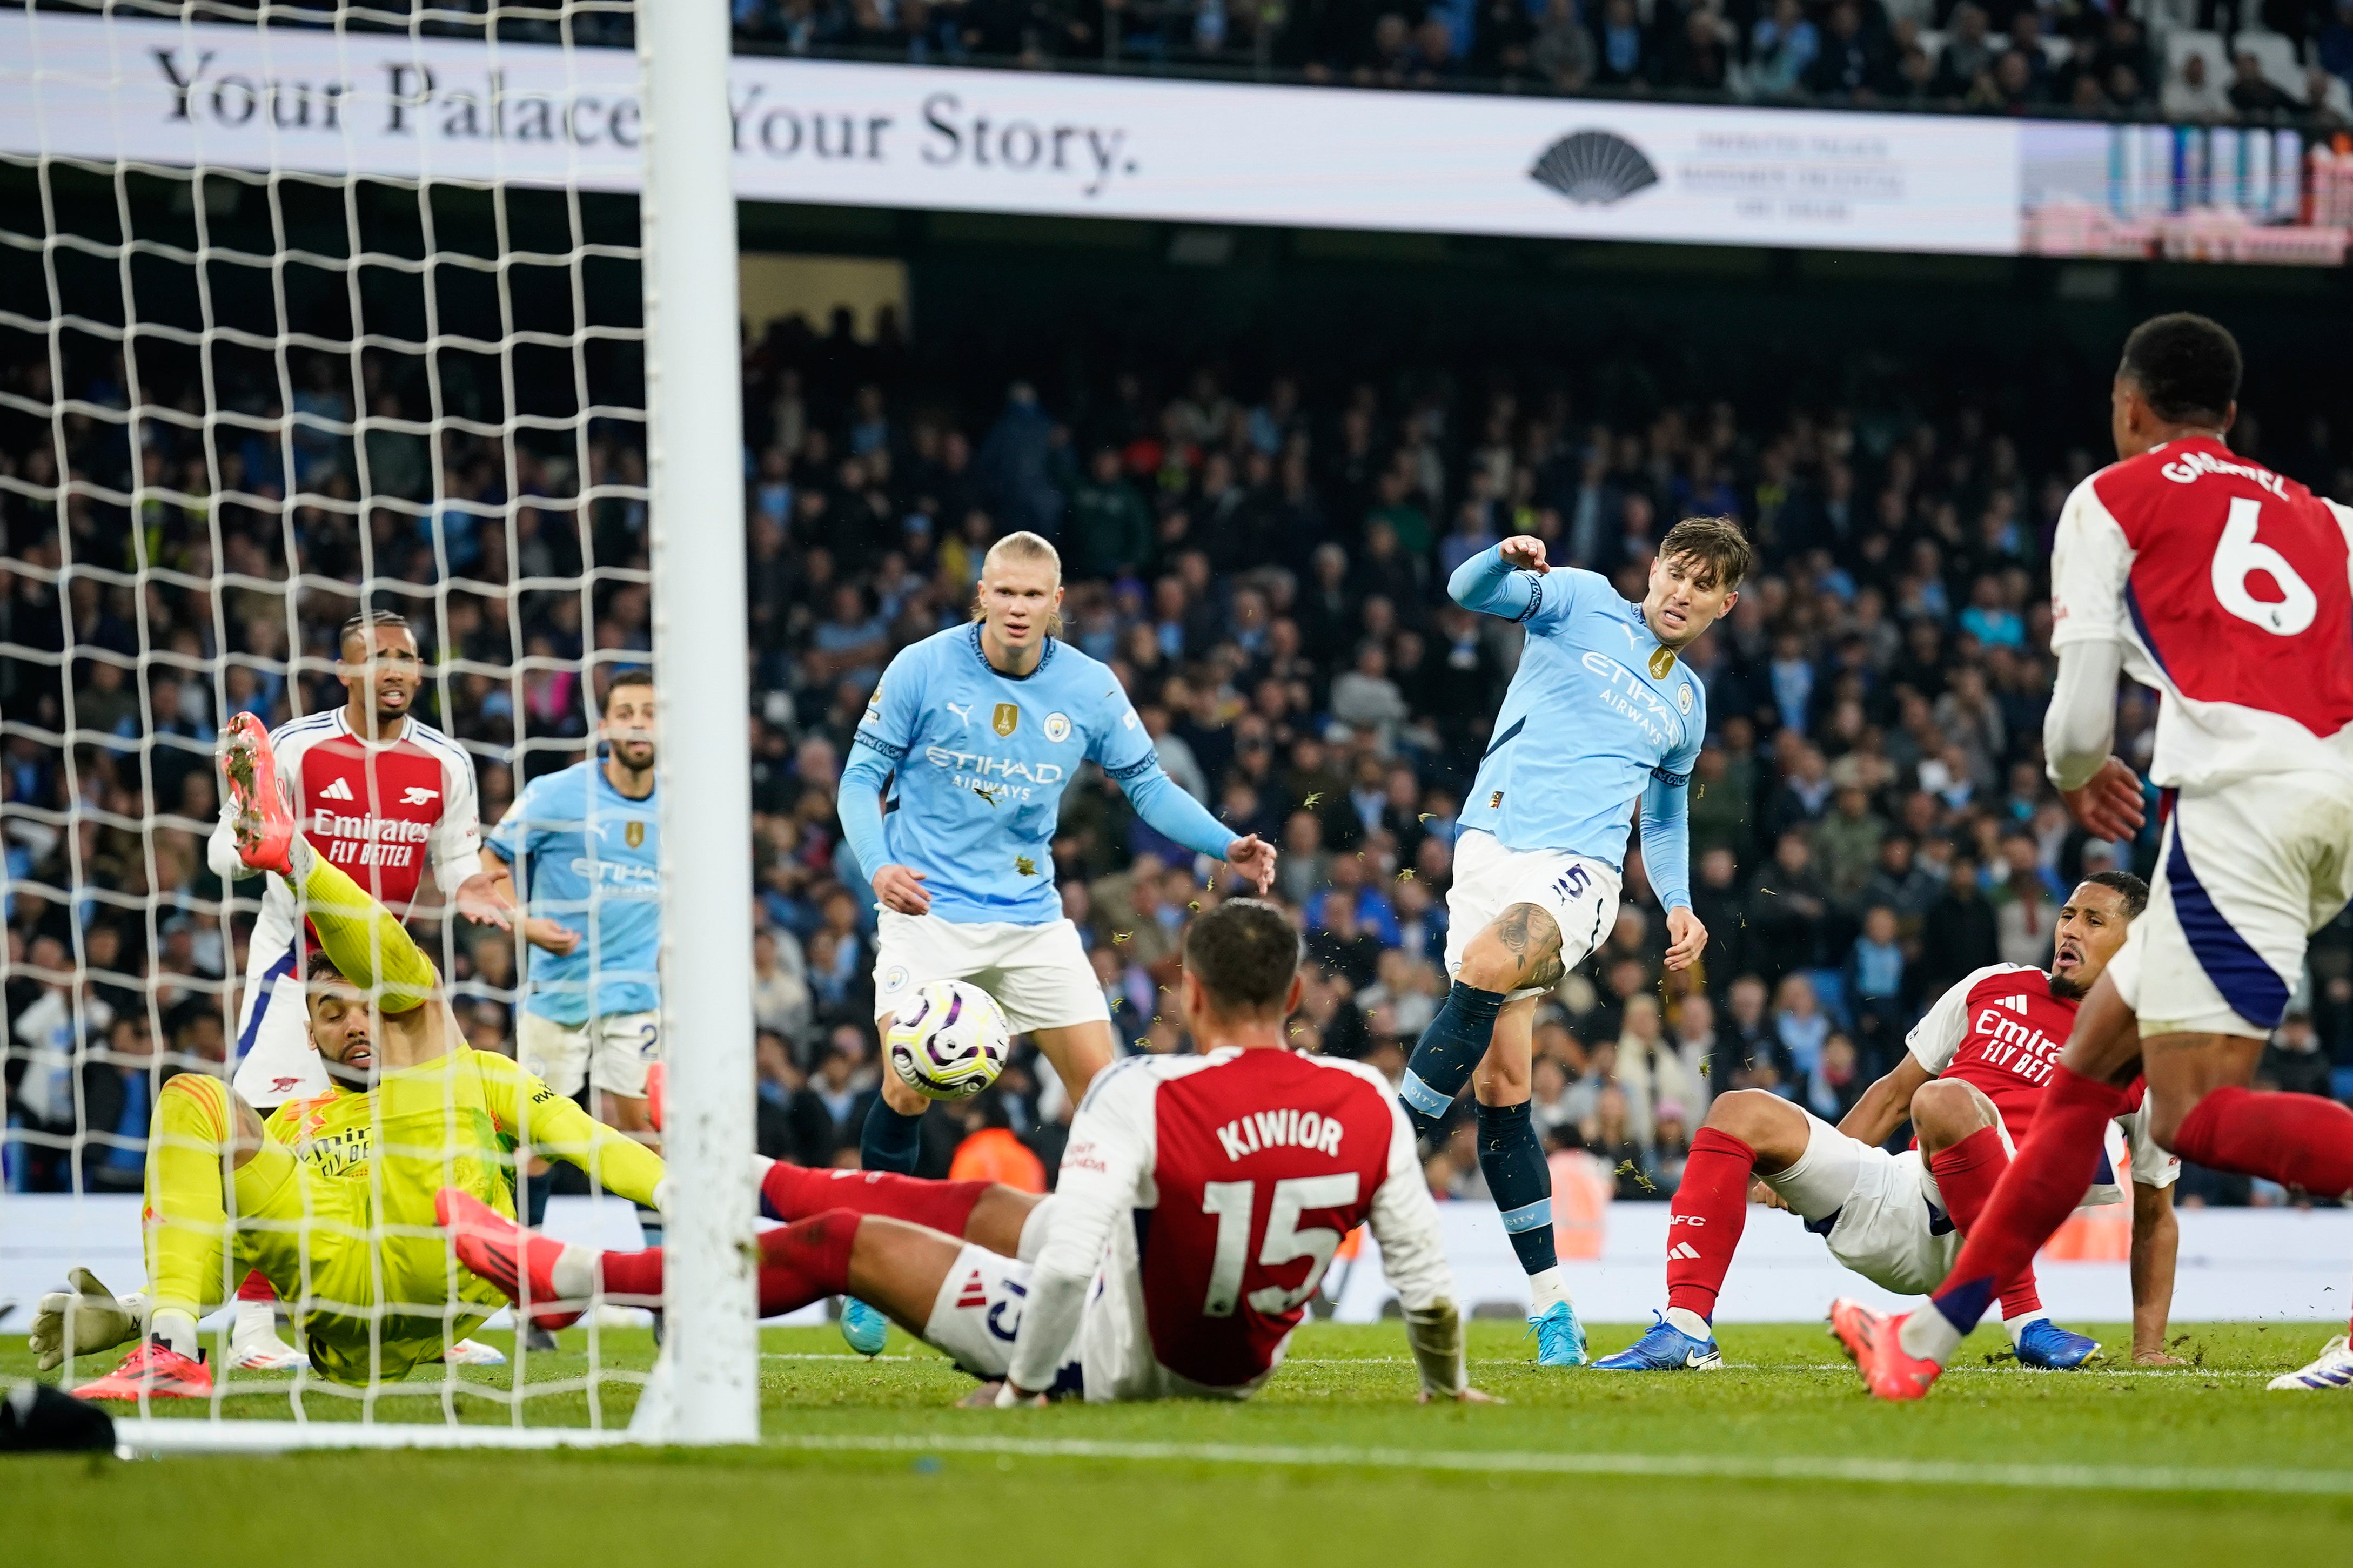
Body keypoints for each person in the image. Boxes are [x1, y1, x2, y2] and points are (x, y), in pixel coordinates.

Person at [1835, 313, 2353, 1398]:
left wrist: (2078, 772)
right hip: (2324, 797)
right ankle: (1921, 1347)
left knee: (2190, 1113)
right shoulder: (2321, 515)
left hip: (2236, 805)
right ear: (2228, 416)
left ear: (2125, 408)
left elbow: (2076, 723)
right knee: (2085, 1072)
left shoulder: (2110, 497)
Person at [442, 899, 1480, 1406]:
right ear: (1297, 996)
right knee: (964, 1209)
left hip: (1121, 1361)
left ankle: (572, 1274)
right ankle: (729, 1168)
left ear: (1191, 994)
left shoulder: (1142, 1090)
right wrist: (1445, 1387)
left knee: (846, 1238)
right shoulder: (1365, 1096)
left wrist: (1028, 1388)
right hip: (1232, 1354)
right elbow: (1426, 1285)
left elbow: (1069, 1265)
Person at [30, 715, 664, 1398]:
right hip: (343, 1311)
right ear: (309, 1034)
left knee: (419, 1001)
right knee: (193, 1096)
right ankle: (170, 1349)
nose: (355, 1025)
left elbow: (593, 1142)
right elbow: (226, 1257)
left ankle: (292, 853)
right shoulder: (290, 1126)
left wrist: (684, 1201)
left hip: (441, 1273)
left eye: (367, 1007)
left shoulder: (477, 1075)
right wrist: (132, 1311)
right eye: (331, 1014)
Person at [833, 531, 1277, 1354]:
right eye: (1001, 592)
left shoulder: (1088, 686)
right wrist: (878, 864)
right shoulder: (920, 668)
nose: (1014, 607)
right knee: (907, 1088)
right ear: (980, 595)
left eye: (1031, 596)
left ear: (1055, 603)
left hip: (1031, 918)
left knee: (1107, 1099)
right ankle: (869, 1263)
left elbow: (1145, 783)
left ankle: (1148, 1277)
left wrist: (1225, 844)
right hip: (927, 910)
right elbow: (861, 777)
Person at [1396, 515, 1748, 1366]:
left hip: (1577, 875)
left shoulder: (1687, 704)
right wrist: (1498, 557)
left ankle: (1376, 1146)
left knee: (1483, 966)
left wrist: (1676, 900)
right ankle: (1553, 1305)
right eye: (1675, 572)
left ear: (1724, 605)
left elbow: (1663, 814)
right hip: (1484, 849)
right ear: (1653, 566)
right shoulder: (1581, 599)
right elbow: (1464, 592)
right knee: (1502, 1082)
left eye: (1703, 586)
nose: (1681, 592)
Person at [1599, 873, 2178, 1372]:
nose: (2069, 929)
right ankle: (1686, 1328)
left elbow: (2154, 1213)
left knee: (1946, 1097)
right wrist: (1801, 1168)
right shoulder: (1995, 985)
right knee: (1736, 1107)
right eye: (2067, 914)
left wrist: (2148, 1347)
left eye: (2093, 920)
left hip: (1998, 1220)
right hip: (1904, 1195)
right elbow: (1894, 1094)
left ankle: (2026, 1320)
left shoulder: (2146, 1052)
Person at [202, 608, 508, 1371]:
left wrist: (475, 890)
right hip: (293, 965)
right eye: (378, 657)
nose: (397, 669)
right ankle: (251, 1327)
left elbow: (456, 861)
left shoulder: (448, 762)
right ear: (345, 671)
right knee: (264, 1136)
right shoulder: (300, 747)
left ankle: (429, 1315)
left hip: (387, 971)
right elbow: (222, 847)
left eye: (408, 656)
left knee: (427, 1135)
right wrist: (247, 844)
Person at [481, 668, 665, 1350]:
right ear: (605, 725)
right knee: (537, 1145)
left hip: (636, 997)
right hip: (556, 996)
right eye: (626, 711)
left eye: (650, 711)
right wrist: (525, 926)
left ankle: (663, 1292)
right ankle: (530, 1301)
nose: (638, 722)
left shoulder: (684, 804)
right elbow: (486, 865)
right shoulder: (556, 795)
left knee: (641, 1134)